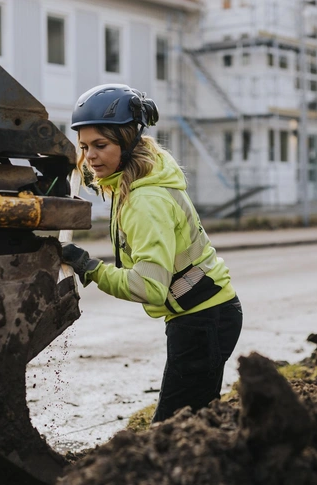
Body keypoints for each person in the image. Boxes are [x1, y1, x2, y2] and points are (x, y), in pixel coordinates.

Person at [61, 84, 242, 423]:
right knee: (192, 421)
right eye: (84, 147)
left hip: (204, 319)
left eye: (101, 145)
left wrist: (90, 268)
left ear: (128, 141)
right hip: (204, 313)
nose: (90, 157)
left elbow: (149, 287)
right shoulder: (137, 181)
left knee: (172, 429)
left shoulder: (145, 201)